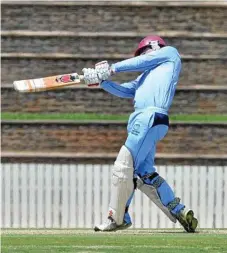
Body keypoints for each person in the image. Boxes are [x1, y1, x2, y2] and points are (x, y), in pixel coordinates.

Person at [82, 35, 198, 233]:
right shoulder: (146, 76)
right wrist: (101, 82)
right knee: (144, 173)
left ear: (153, 47)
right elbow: (127, 90)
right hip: (146, 121)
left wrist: (112, 69)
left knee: (123, 165)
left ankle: (116, 218)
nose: (142, 57)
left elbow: (143, 61)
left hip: (149, 117)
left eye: (142, 53)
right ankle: (179, 211)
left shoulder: (170, 54)